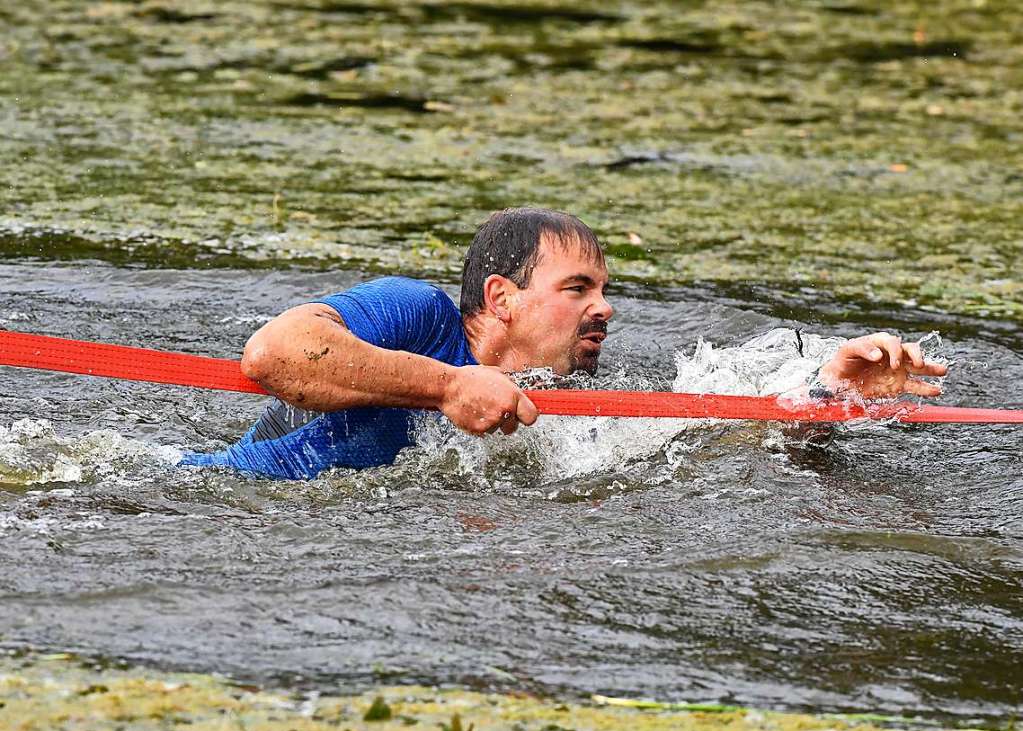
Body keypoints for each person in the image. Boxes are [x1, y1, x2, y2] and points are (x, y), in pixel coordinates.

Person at [179, 207, 947, 480]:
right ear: (501, 299)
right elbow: (273, 353)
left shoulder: (572, 411)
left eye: (604, 291)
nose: (604, 308)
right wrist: (448, 386)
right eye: (578, 288)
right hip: (187, 502)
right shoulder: (415, 314)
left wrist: (829, 390)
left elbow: (716, 432)